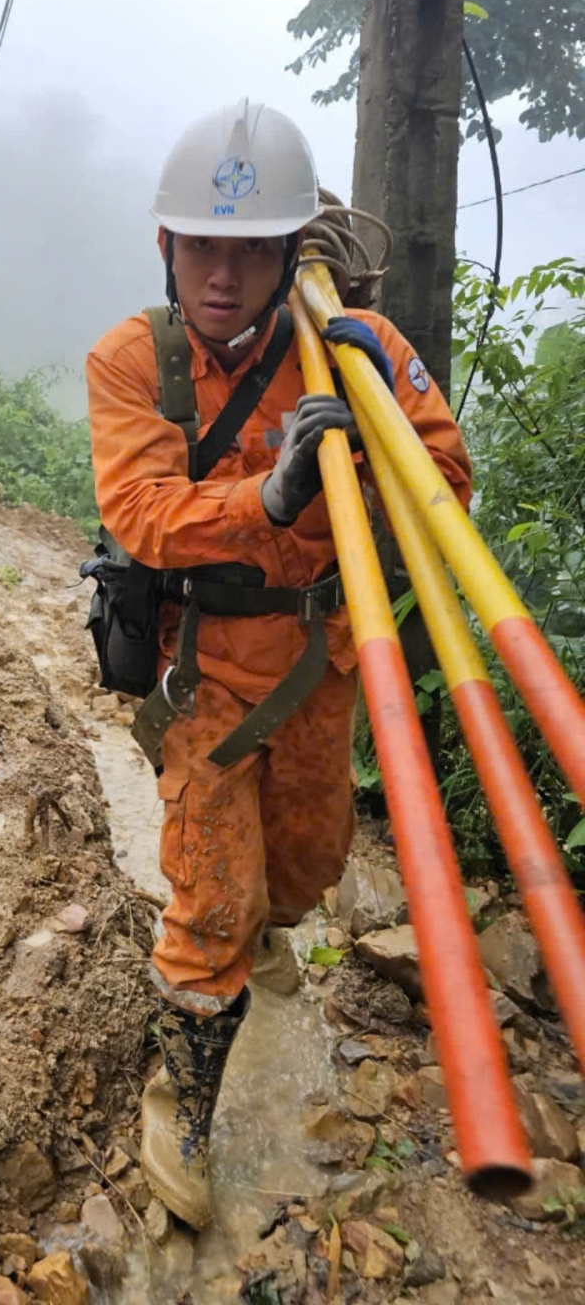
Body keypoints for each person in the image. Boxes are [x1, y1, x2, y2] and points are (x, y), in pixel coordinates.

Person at [85, 100, 472, 1230]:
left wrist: (371, 404)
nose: (220, 274)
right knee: (211, 901)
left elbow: (443, 482)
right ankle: (184, 1097)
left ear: (287, 253)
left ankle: (266, 928)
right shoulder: (132, 360)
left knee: (302, 870)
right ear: (166, 247)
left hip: (322, 661)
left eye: (248, 249)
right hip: (201, 672)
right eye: (199, 245)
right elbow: (143, 512)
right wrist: (270, 495)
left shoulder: (361, 348)